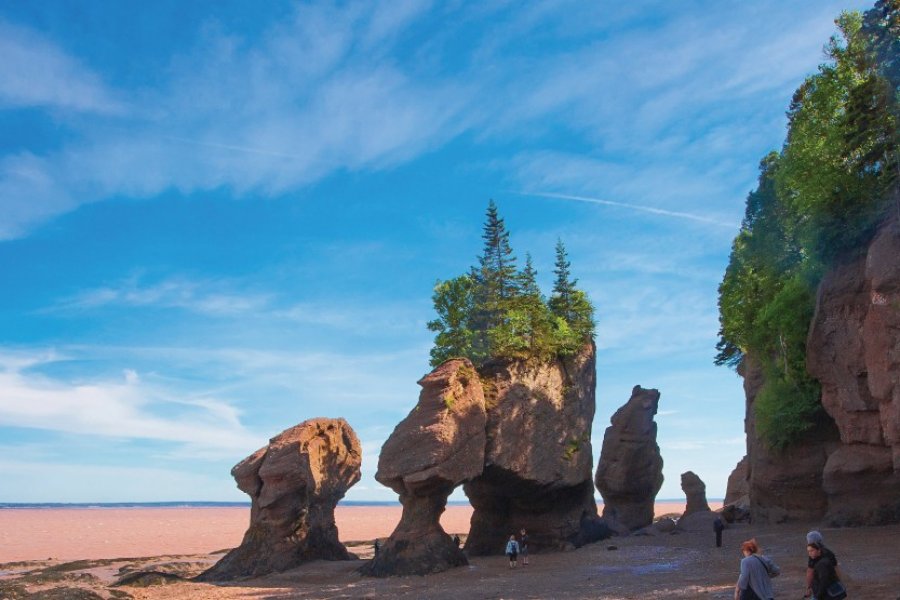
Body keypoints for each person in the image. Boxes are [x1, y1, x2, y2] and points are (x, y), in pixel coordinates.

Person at [805, 531, 838, 598]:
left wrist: (808, 588)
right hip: (832, 585)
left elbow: (810, 572)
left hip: (820, 586)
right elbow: (836, 569)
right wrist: (839, 583)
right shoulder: (829, 553)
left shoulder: (813, 555)